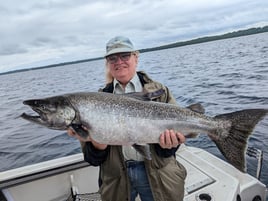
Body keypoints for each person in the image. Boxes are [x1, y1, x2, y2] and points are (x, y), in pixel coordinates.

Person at [67, 36, 187, 201]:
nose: (119, 61)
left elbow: (171, 147)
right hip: (117, 180)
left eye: (125, 56)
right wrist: (98, 144)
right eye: (113, 58)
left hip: (159, 176)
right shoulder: (92, 103)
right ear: (108, 63)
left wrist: (169, 146)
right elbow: (92, 159)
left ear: (136, 58)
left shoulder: (160, 92)